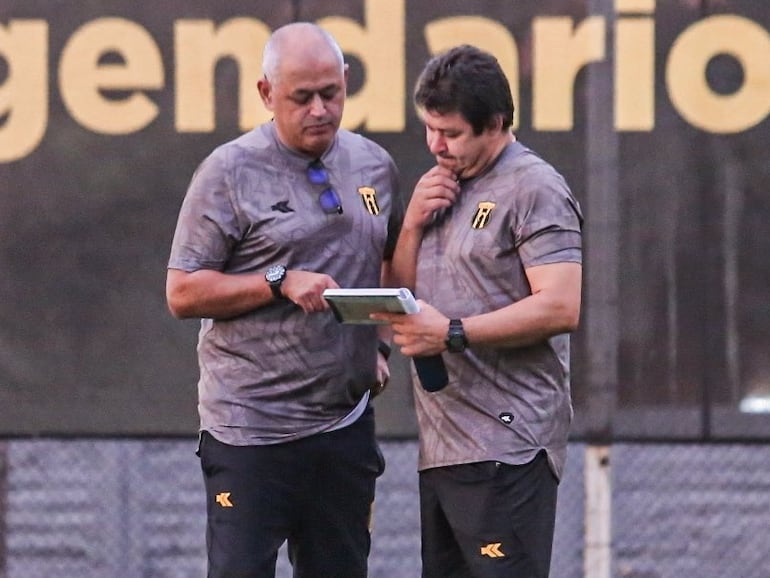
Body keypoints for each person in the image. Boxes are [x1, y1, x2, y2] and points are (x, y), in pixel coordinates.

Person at [165, 22, 402, 578]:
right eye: (302, 97)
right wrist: (277, 279)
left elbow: (389, 255)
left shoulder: (374, 166)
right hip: (250, 432)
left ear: (345, 82)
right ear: (267, 94)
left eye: (331, 93)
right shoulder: (228, 171)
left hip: (344, 427)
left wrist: (380, 342)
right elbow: (182, 291)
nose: (320, 108)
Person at [372, 45, 583, 578]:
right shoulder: (440, 187)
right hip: (443, 450)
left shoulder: (535, 187)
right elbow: (396, 298)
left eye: (451, 133)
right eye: (429, 129)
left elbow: (561, 305)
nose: (436, 145)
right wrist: (413, 224)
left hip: (508, 446)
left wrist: (454, 333)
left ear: (495, 123)